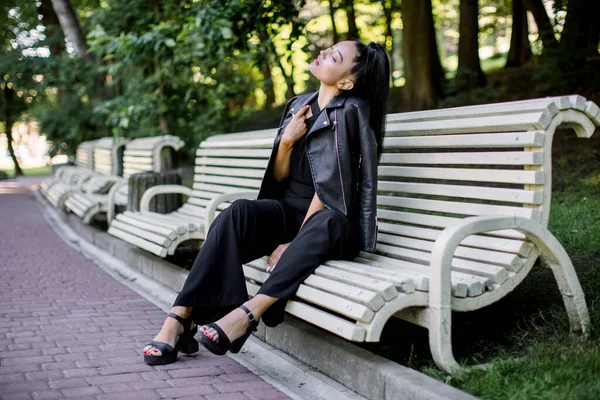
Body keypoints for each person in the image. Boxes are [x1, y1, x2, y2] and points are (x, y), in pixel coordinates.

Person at [143, 40, 390, 365]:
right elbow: (279, 177)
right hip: (289, 212)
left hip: (329, 220)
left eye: (335, 56)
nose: (324, 53)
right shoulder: (298, 105)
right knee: (236, 213)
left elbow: (331, 190)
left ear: (346, 81)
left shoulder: (350, 111)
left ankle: (246, 314)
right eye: (329, 48)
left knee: (325, 221)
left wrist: (293, 241)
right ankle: (181, 313)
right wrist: (286, 141)